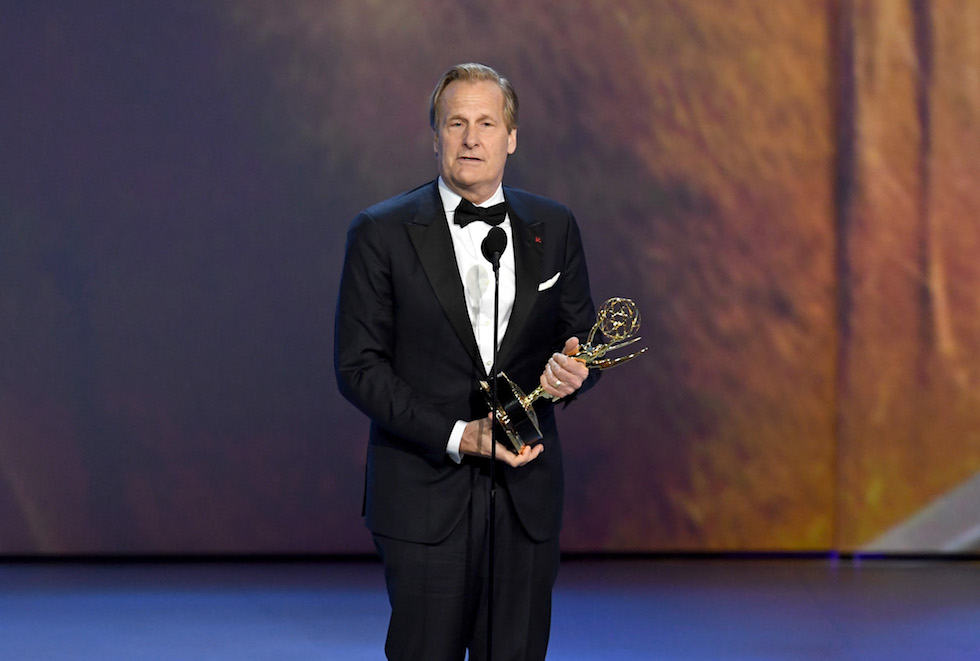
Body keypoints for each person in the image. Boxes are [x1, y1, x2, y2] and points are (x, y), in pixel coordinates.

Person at [334, 62, 600, 661]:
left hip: (525, 498)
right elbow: (359, 367)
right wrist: (458, 434)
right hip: (424, 497)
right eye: (456, 123)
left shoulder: (554, 226)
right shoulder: (380, 232)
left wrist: (578, 372)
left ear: (512, 137)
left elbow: (581, 339)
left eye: (486, 123)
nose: (471, 138)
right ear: (435, 136)